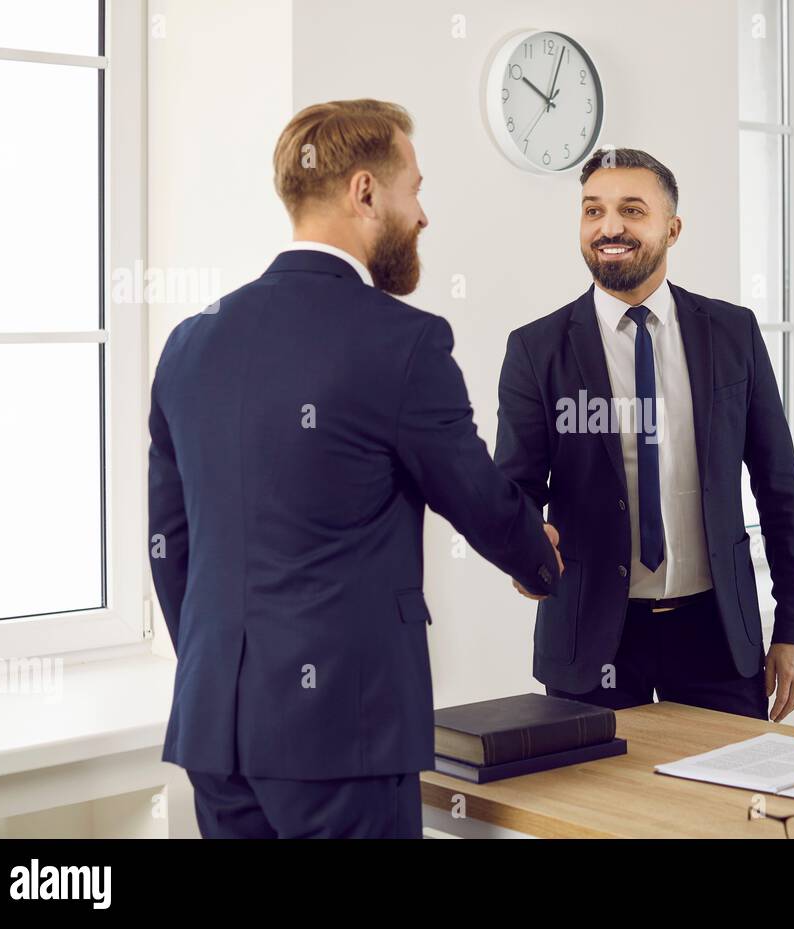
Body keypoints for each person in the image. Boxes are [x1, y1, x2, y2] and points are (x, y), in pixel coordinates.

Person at [148, 99, 561, 838]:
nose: (424, 215)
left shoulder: (191, 341)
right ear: (365, 191)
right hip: (342, 731)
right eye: (416, 188)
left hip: (217, 725)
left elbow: (170, 545)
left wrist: (229, 672)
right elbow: (475, 496)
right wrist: (541, 559)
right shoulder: (402, 342)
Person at [496, 148, 794, 723]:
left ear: (671, 228)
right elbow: (515, 488)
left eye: (631, 210)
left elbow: (779, 488)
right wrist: (524, 548)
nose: (610, 227)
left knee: (726, 808)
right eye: (593, 211)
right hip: (591, 638)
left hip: (717, 635)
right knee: (596, 812)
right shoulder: (536, 349)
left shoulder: (733, 333)